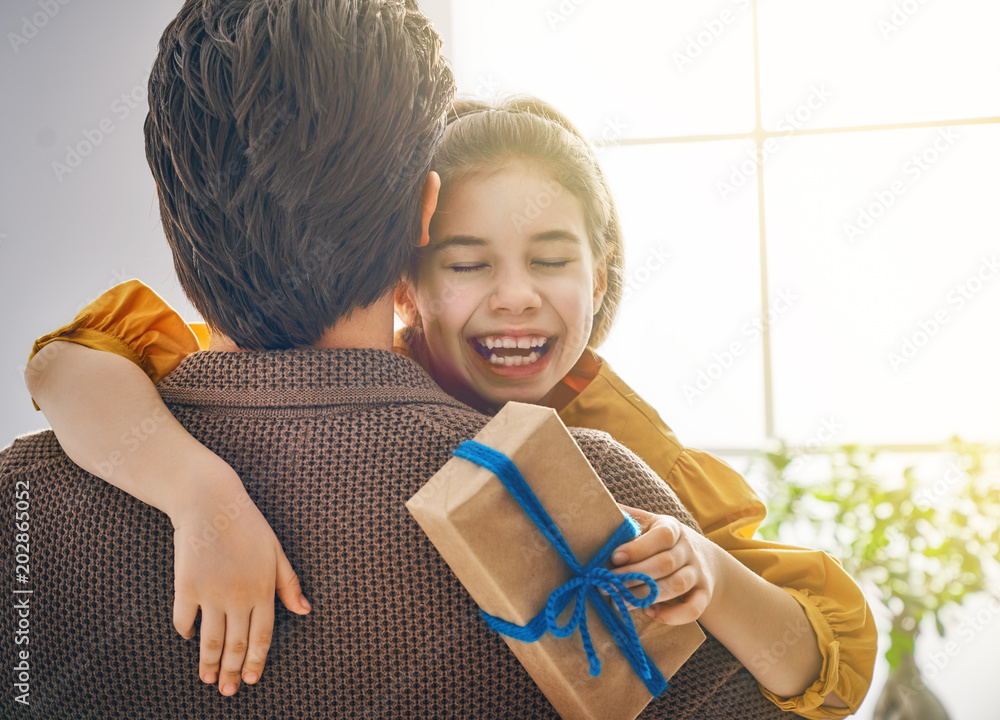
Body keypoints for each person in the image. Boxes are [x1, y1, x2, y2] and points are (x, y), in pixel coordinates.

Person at [22, 87, 876, 720]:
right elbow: (68, 362)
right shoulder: (330, 372)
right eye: (467, 264)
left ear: (600, 277)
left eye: (550, 260)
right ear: (405, 284)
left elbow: (822, 666)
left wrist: (708, 569)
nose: (514, 298)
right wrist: (198, 492)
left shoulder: (618, 440)